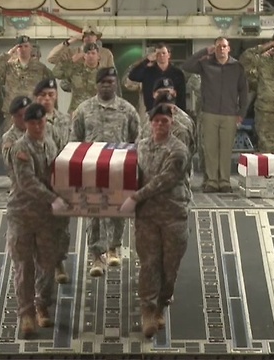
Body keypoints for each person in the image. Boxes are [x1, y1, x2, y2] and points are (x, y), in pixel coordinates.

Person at [119, 103, 190, 338]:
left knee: (170, 267)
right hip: (147, 216)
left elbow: (165, 180)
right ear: (150, 123)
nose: (160, 125)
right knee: (149, 264)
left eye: (165, 121)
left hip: (173, 215)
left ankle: (162, 304)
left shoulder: (178, 150)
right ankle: (148, 311)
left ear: (171, 123)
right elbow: (130, 172)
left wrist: (135, 197)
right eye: (156, 121)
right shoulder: (141, 147)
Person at [70, 67, 140, 276]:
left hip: (118, 168)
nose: (107, 85)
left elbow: (137, 138)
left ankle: (113, 248)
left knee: (118, 210)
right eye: (103, 82)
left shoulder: (127, 110)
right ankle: (95, 256)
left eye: (111, 81)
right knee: (94, 212)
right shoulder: (83, 109)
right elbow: (75, 139)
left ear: (116, 83)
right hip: (92, 169)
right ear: (96, 84)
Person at [6, 102, 68, 337]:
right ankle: (26, 314)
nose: (38, 126)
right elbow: (27, 182)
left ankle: (43, 305)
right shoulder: (20, 148)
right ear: (27, 124)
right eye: (33, 122)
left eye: (41, 121)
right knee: (24, 266)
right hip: (23, 215)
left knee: (47, 264)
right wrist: (54, 198)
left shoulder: (50, 143)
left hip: (46, 218)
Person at [181, 36, 248, 193]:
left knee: (225, 149)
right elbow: (187, 65)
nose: (222, 49)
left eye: (224, 46)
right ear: (214, 48)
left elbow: (243, 91)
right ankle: (212, 181)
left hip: (230, 113)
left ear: (229, 48)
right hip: (209, 112)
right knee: (210, 149)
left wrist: (242, 112)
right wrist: (205, 51)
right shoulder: (206, 64)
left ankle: (224, 181)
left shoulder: (237, 67)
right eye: (218, 47)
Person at [33, 78, 71, 283]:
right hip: (38, 183)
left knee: (61, 227)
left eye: (50, 95)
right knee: (40, 228)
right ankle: (43, 268)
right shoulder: (29, 121)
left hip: (61, 181)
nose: (47, 99)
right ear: (36, 97)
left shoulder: (65, 120)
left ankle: (59, 262)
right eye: (42, 95)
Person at [0, 35, 53, 131]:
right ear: (15, 49)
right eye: (20, 47)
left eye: (26, 46)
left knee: (32, 143)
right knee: (10, 142)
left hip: (32, 113)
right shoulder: (8, 67)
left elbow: (49, 90)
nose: (23, 49)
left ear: (31, 48)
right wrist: (7, 55)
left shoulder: (40, 68)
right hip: (12, 114)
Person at [128, 43, 186, 112]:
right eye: (158, 53)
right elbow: (132, 76)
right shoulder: (147, 71)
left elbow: (181, 96)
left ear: (169, 55)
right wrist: (146, 61)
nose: (161, 55)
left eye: (164, 53)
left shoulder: (177, 73)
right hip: (151, 110)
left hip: (172, 111)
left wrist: (182, 112)